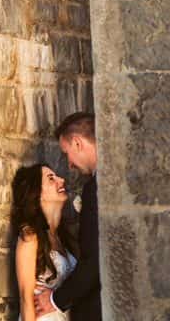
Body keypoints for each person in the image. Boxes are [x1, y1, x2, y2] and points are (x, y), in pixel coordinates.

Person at [34, 113, 101, 321]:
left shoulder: (96, 189)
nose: (69, 165)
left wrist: (54, 300)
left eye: (67, 153)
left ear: (78, 143)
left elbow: (94, 260)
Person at [11, 164, 77, 320]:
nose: (61, 180)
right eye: (51, 178)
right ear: (37, 193)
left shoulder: (65, 237)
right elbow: (26, 299)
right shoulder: (30, 237)